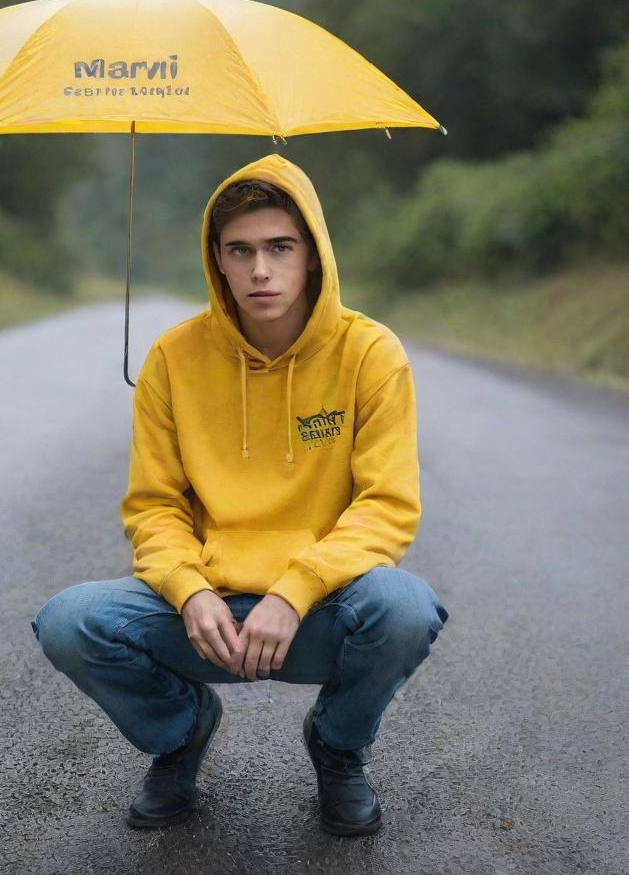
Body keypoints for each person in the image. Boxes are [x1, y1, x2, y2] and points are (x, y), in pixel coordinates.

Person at [30, 152, 449, 837]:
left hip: (316, 609)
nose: (261, 270)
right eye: (241, 250)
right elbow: (155, 506)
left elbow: (387, 506)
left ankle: (339, 747)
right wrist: (189, 589)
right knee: (69, 621)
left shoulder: (371, 354)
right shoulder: (172, 357)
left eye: (280, 248)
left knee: (404, 607)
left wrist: (295, 589)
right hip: (209, 612)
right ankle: (182, 732)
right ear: (216, 260)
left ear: (312, 256)